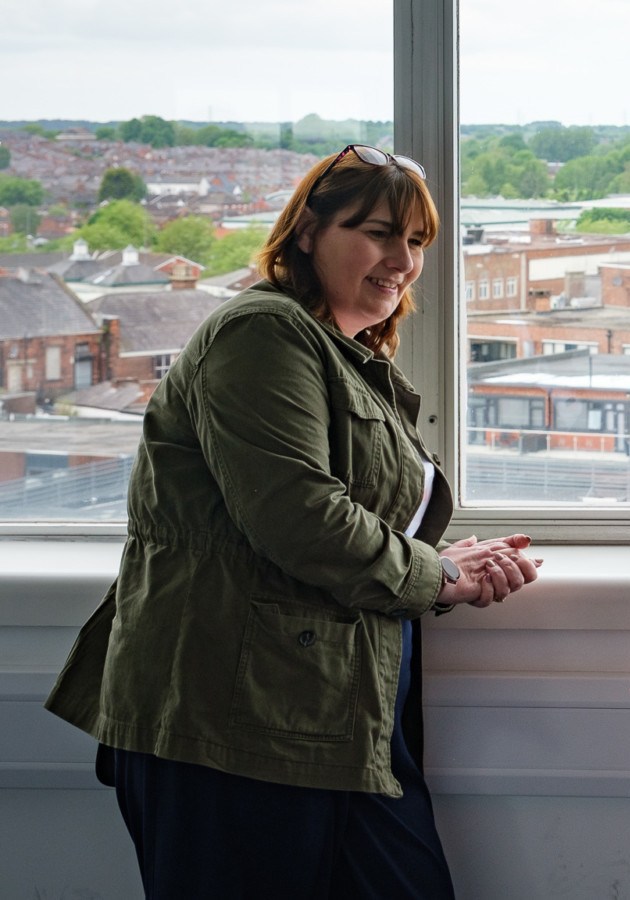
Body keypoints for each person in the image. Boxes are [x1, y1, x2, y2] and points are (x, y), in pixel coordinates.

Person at [45, 144, 540, 900]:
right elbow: (300, 517)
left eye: (416, 242)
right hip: (231, 727)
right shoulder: (260, 334)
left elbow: (339, 521)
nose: (401, 261)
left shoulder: (346, 357)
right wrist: (435, 573)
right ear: (307, 231)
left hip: (336, 720)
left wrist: (439, 569)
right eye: (378, 232)